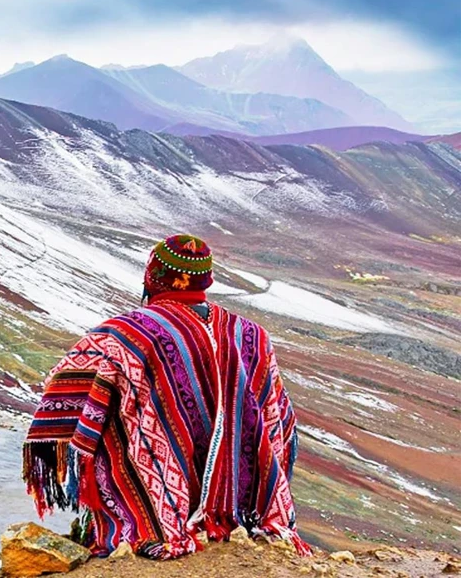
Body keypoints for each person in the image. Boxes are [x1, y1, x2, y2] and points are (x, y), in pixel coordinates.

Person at [23, 234, 308, 560]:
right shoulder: (252, 335)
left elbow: (71, 388)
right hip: (239, 503)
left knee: (114, 416)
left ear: (153, 277)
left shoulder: (127, 333)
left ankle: (150, 517)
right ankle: (227, 514)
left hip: (159, 489)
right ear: (206, 279)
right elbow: (276, 418)